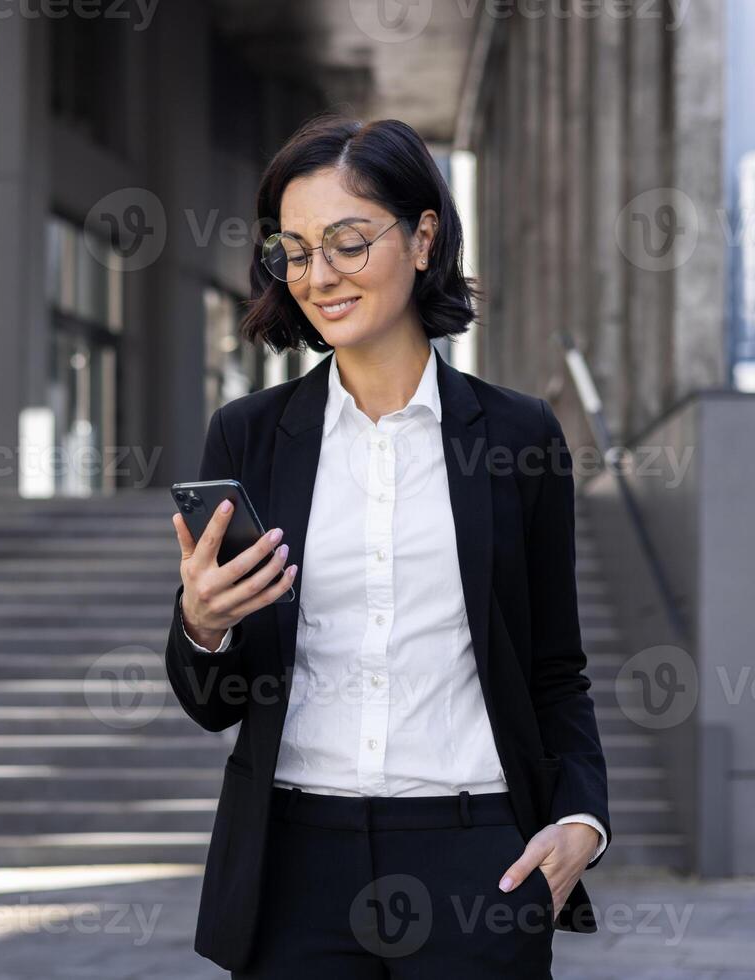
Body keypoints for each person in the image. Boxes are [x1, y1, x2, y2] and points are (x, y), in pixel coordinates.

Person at [165, 114, 610, 978]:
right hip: (293, 867)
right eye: (292, 250)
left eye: (346, 242)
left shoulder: (518, 435)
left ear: (423, 237)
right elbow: (214, 703)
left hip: (477, 857)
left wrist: (582, 823)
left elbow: (557, 664)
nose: (317, 275)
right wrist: (201, 624)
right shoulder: (248, 437)